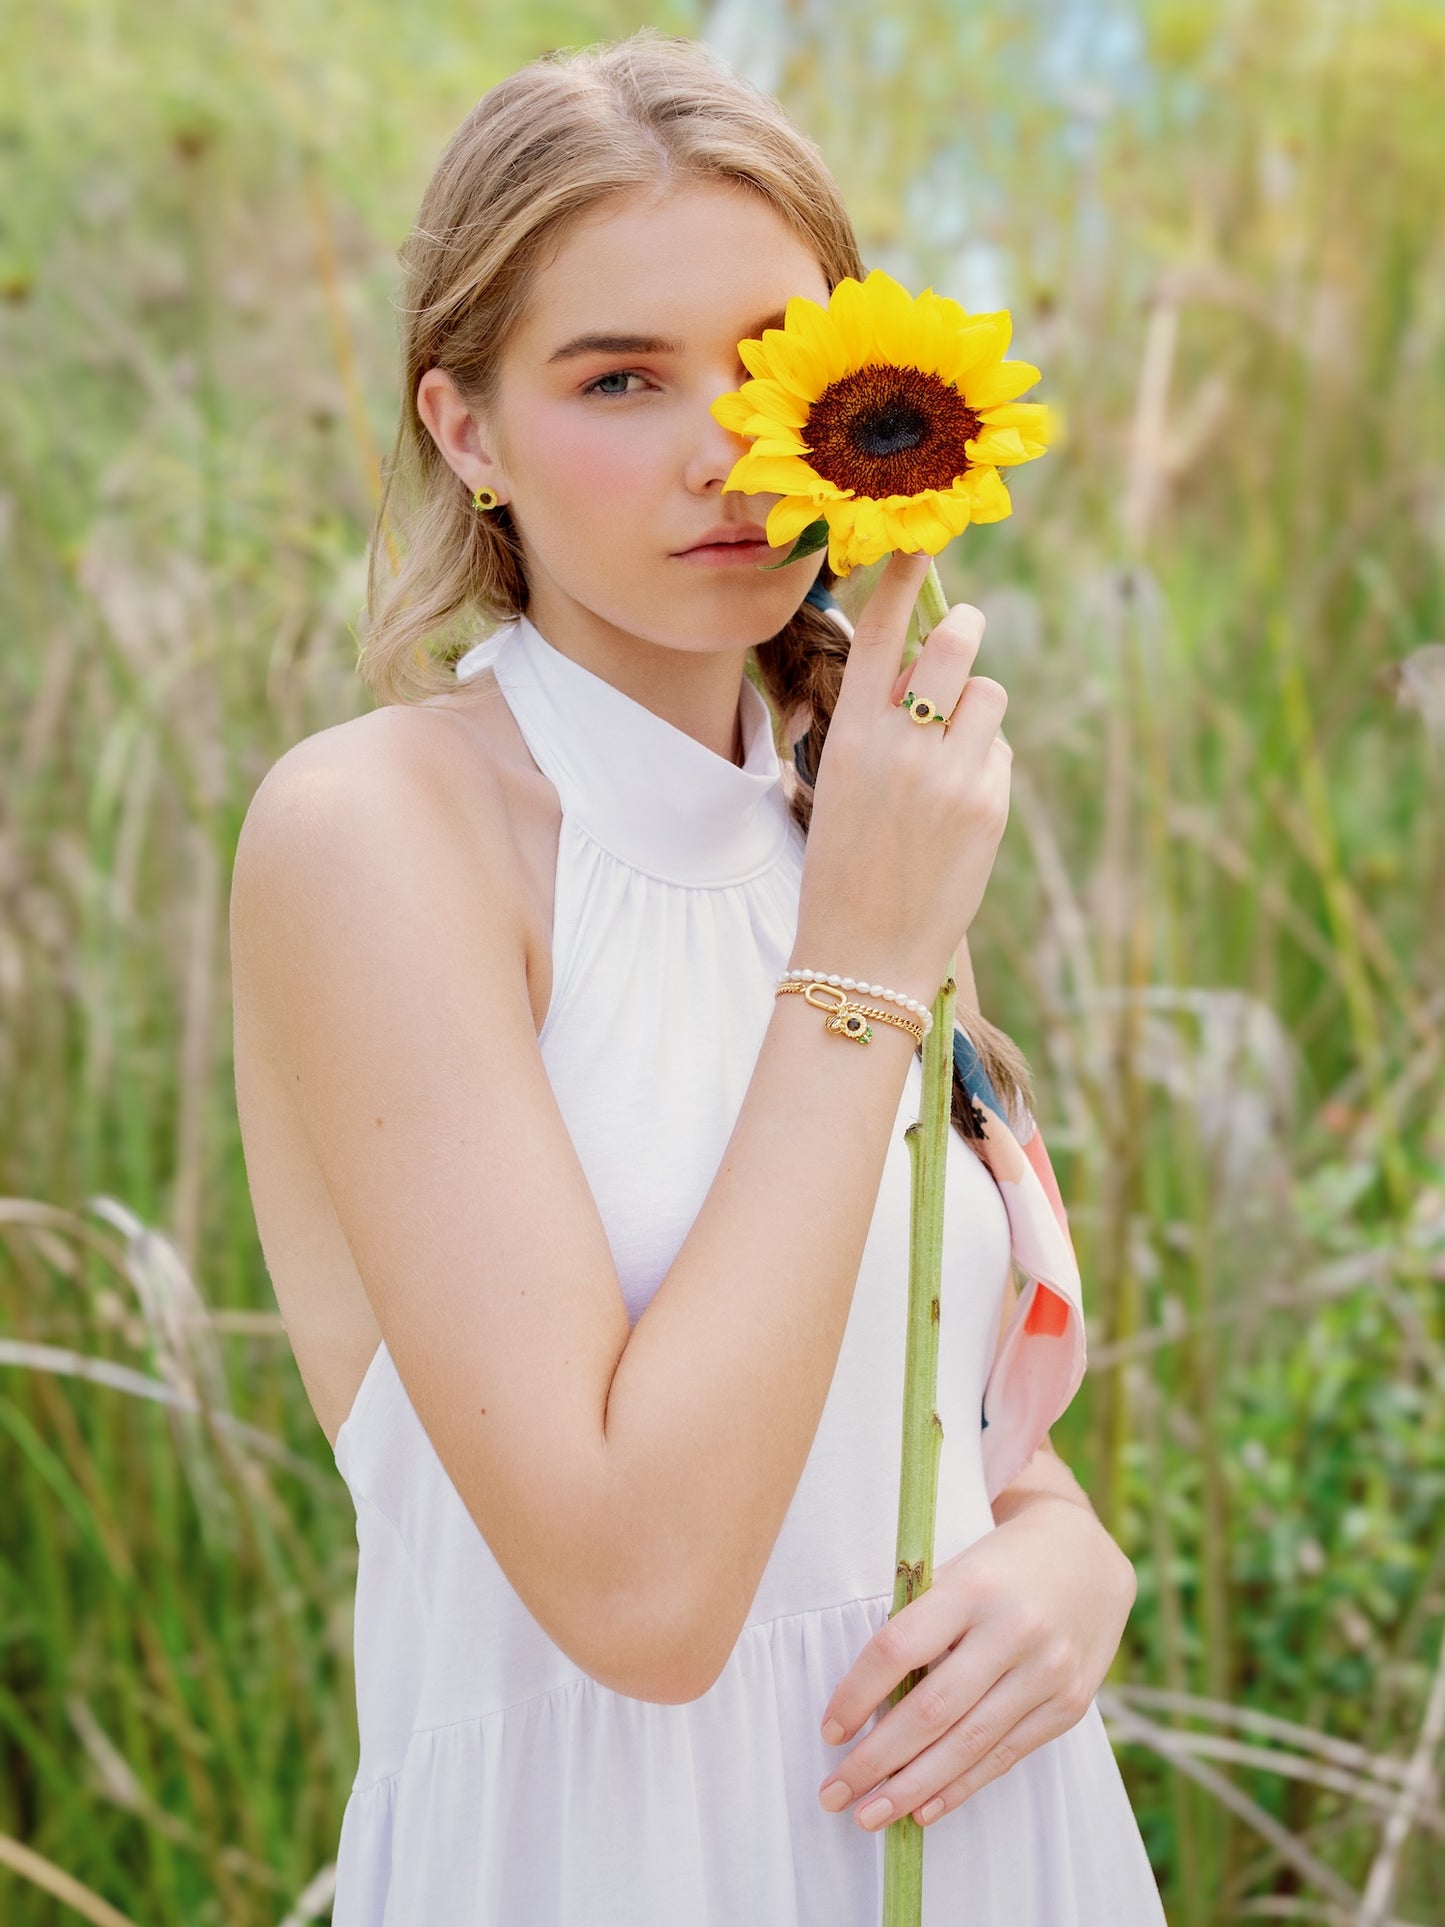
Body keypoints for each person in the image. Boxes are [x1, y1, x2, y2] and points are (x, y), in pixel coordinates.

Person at [229, 29, 1167, 1927]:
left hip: (996, 1843)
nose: (725, 450)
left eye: (771, 369)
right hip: (612, 1865)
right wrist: (864, 961)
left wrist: (1074, 1572)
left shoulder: (849, 814)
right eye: (618, 378)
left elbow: (940, 1435)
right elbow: (640, 1598)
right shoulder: (378, 832)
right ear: (464, 428)